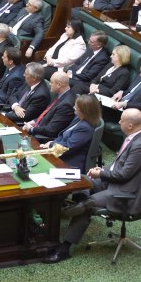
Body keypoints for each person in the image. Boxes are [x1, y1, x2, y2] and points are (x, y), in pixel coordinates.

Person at [45, 108, 141, 263]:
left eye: (121, 120)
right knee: (78, 180)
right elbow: (119, 165)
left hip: (125, 192)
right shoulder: (132, 137)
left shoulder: (139, 145)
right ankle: (65, 211)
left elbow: (124, 175)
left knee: (87, 204)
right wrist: (102, 170)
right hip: (110, 182)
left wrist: (101, 174)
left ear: (130, 125)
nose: (118, 122)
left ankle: (65, 247)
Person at [40, 94, 101, 172]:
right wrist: (52, 142)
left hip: (68, 162)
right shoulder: (78, 118)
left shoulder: (86, 128)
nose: (73, 108)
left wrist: (51, 145)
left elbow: (68, 148)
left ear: (83, 111)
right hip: (59, 152)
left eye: (76, 107)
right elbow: (62, 134)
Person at [23, 72, 76, 143]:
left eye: (51, 82)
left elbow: (51, 130)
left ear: (59, 85)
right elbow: (48, 114)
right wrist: (34, 121)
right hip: (39, 129)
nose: (49, 84)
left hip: (42, 139)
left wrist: (31, 129)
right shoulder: (62, 94)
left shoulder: (66, 105)